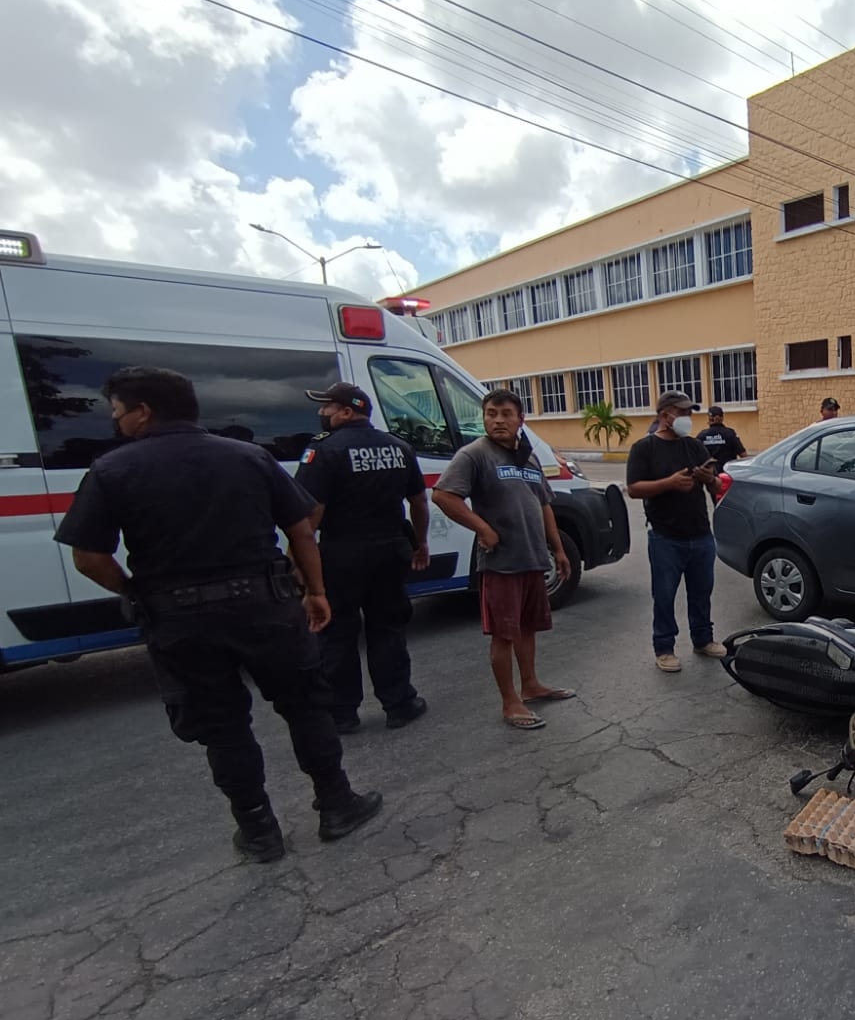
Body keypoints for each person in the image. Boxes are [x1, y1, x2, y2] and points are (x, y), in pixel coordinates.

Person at [53, 367, 382, 864]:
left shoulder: (112, 470)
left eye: (119, 412)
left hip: (180, 619)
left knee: (223, 726)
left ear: (144, 411)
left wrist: (134, 591)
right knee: (304, 704)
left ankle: (259, 831)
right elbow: (300, 530)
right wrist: (315, 591)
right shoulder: (249, 456)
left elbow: (88, 557)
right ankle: (337, 803)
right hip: (265, 605)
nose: (116, 422)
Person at [432, 389, 574, 730]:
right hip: (500, 562)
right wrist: (483, 529)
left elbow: (543, 506)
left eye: (506, 413)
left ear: (520, 419)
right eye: (491, 413)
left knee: (527, 628)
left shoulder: (529, 458)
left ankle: (531, 685)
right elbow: (443, 495)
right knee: (503, 634)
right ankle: (510, 702)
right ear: (483, 418)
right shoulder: (474, 455)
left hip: (532, 558)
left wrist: (558, 549)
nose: (498, 419)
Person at [295, 382, 431, 735]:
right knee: (388, 628)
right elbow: (418, 502)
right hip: (390, 551)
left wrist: (302, 569)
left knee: (337, 633)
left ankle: (342, 713)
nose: (322, 413)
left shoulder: (323, 451)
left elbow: (310, 518)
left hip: (342, 554)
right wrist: (421, 543)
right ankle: (399, 704)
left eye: (328, 407)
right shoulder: (399, 447)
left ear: (347, 411)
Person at [626, 390, 726, 672]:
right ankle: (664, 648)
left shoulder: (693, 446)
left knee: (701, 592)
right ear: (664, 415)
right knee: (665, 594)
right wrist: (668, 483)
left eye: (689, 413)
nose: (687, 418)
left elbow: (716, 485)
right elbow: (633, 489)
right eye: (682, 413)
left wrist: (711, 480)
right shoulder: (644, 448)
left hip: (701, 534)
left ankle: (703, 639)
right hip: (665, 537)